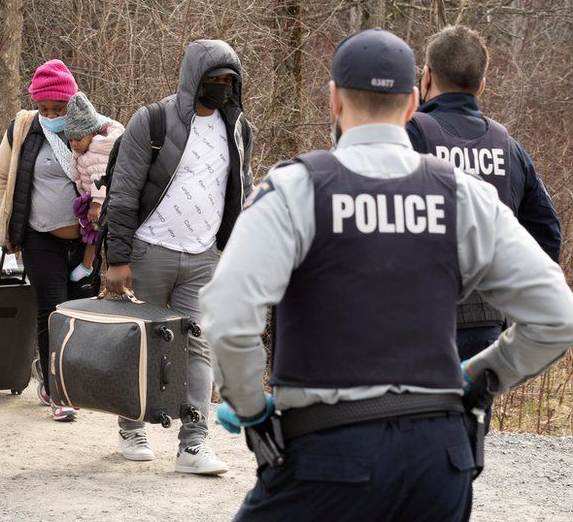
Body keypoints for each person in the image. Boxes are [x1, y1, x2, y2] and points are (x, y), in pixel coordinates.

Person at [201, 28, 573, 520]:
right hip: (439, 462)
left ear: (334, 98)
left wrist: (251, 408)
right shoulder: (464, 195)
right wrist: (478, 377)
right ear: (413, 101)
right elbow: (557, 317)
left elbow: (228, 315)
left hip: (326, 454)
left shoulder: (295, 190)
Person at [103, 39, 253, 475]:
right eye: (214, 81)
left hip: (203, 257)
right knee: (139, 344)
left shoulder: (238, 129)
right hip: (148, 252)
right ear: (194, 80)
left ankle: (193, 444)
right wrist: (117, 258)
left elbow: (238, 190)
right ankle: (132, 427)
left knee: (199, 349)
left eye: (230, 81)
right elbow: (124, 191)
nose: (222, 88)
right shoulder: (152, 121)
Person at [408, 25, 562, 377]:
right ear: (482, 85)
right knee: (471, 424)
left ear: (426, 75)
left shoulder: (409, 134)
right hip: (486, 322)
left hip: (419, 314)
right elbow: (547, 231)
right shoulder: (509, 148)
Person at [0, 59, 88, 422]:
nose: (50, 114)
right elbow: (2, 178)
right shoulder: (23, 128)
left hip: (84, 243)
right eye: (44, 107)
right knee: (54, 312)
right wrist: (8, 231)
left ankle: (69, 377)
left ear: (72, 104)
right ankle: (56, 389)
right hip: (38, 237)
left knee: (80, 313)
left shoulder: (91, 128)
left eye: (58, 109)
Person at [64, 92, 124, 281]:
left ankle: (88, 266)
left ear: (92, 133)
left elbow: (101, 178)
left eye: (78, 139)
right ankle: (90, 265)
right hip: (91, 198)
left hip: (101, 201)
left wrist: (96, 204)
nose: (74, 143)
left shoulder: (97, 151)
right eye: (71, 139)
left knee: (94, 231)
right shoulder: (85, 149)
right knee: (91, 231)